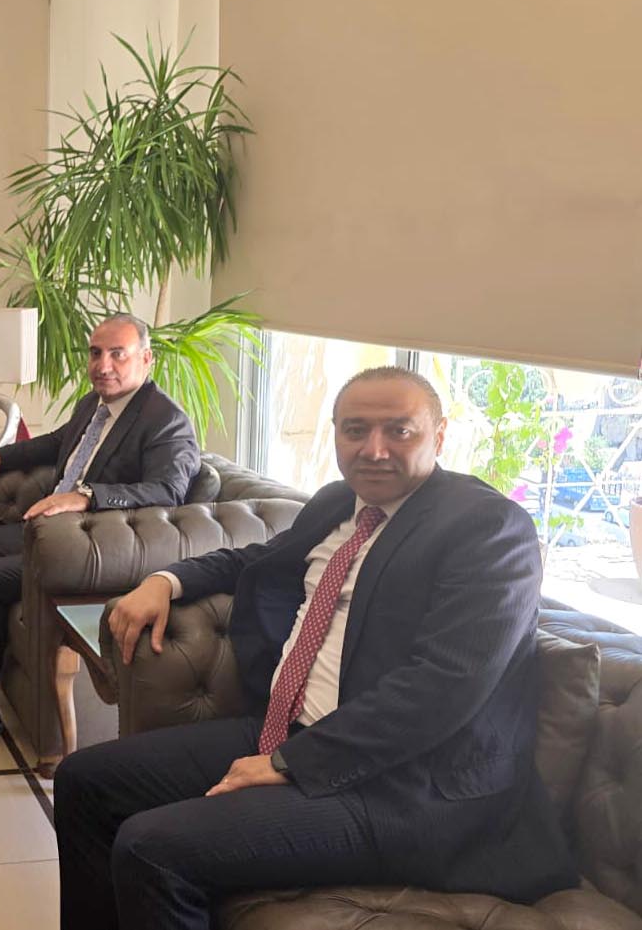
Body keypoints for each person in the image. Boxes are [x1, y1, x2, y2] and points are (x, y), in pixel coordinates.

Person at [55, 367, 576, 930]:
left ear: (440, 435)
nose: (374, 449)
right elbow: (259, 559)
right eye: (356, 430)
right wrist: (167, 580)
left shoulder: (489, 527)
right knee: (84, 780)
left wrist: (290, 763)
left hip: (410, 784)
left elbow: (443, 685)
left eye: (399, 431)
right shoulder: (339, 502)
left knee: (151, 847)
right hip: (297, 730)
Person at [0, 313, 202, 752]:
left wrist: (88, 496)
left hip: (87, 549)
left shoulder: (166, 420)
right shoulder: (95, 404)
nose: (103, 365)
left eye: (117, 354)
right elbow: (56, 442)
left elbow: (168, 491)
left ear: (146, 359)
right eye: (95, 353)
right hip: (47, 530)